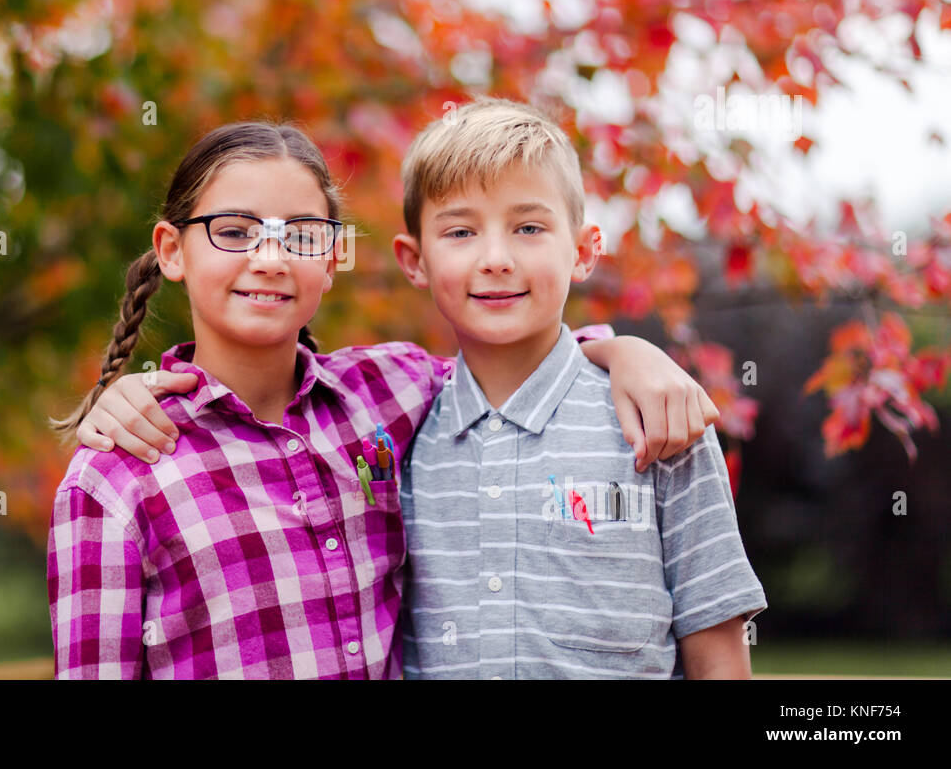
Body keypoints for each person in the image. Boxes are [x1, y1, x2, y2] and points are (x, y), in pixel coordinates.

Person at [53, 120, 717, 679]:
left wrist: (625, 351)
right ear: (172, 250)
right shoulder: (119, 471)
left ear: (334, 256)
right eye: (234, 231)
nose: (270, 258)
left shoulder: (382, 396)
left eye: (302, 235)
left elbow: (515, 357)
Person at [390, 97, 767, 678]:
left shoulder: (657, 422)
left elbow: (718, 655)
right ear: (414, 261)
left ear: (585, 251)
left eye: (529, 227)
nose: (495, 258)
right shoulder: (399, 437)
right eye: (461, 231)